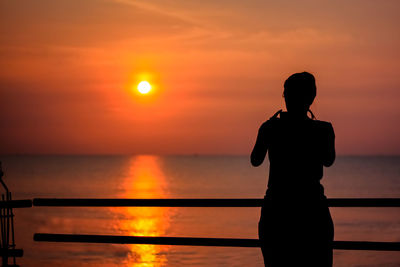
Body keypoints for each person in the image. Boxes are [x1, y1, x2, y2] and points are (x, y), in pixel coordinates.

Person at [251, 72, 335, 267]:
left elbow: (255, 160)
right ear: (312, 98)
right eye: (287, 94)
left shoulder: (270, 128)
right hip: (312, 211)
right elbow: (329, 160)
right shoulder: (323, 129)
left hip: (277, 211)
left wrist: (266, 130)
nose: (288, 99)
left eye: (289, 94)